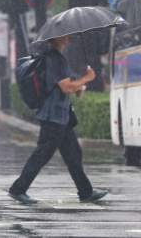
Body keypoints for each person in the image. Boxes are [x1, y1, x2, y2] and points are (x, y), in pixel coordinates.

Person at [8, 35, 108, 204]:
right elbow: (66, 87)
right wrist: (87, 78)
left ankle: (85, 192)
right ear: (57, 38)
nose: (68, 37)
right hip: (53, 116)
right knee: (42, 154)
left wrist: (81, 83)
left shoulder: (55, 58)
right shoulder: (56, 59)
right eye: (65, 35)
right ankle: (17, 189)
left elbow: (68, 89)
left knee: (73, 154)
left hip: (62, 117)